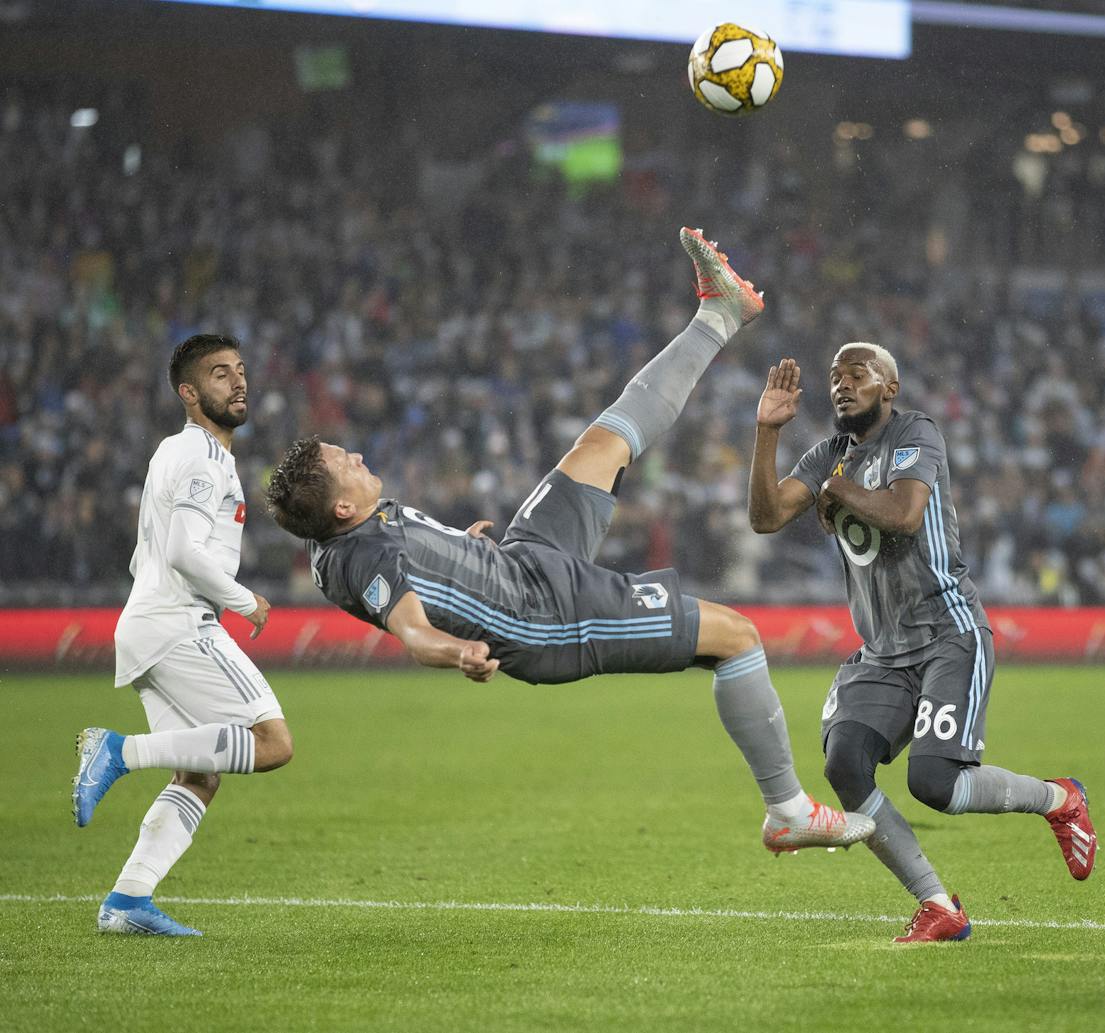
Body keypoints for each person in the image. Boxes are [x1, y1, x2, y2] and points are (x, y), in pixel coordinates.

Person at [263, 228, 874, 855]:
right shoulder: (357, 553)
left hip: (520, 562)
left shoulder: (354, 528)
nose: (359, 455)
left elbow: (414, 565)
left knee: (602, 441)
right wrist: (457, 653)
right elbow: (412, 629)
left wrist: (460, 549)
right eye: (346, 461)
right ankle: (788, 811)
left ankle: (720, 313)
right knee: (738, 637)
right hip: (542, 618)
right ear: (341, 505)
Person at [746, 345, 1098, 943]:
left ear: (891, 387)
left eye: (857, 375)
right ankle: (938, 905)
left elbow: (907, 514)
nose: (841, 385)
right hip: (883, 652)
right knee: (844, 762)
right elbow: (765, 516)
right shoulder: (829, 455)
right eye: (835, 378)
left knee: (935, 783)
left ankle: (1057, 798)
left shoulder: (916, 433)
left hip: (949, 634)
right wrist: (765, 434)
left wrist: (839, 493)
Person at [72, 334, 293, 937]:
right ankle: (117, 751)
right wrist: (245, 601)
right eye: (220, 375)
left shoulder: (178, 452)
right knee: (272, 742)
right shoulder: (201, 456)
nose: (238, 382)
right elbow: (181, 551)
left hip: (147, 623)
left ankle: (127, 900)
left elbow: (145, 555)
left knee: (199, 773)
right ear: (189, 393)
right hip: (179, 623)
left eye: (241, 371)